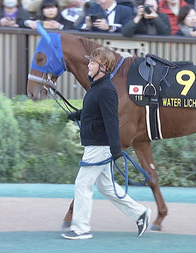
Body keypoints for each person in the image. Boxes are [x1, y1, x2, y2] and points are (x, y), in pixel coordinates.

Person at [62, 47, 151, 240]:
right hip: (96, 144)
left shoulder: (106, 90)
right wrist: (77, 115)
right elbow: (94, 111)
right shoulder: (97, 87)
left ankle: (81, 228)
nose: (89, 65)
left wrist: (115, 148)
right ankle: (140, 214)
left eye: (93, 63)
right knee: (106, 187)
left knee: (82, 184)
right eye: (90, 62)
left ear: (103, 67)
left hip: (99, 146)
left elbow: (111, 121)